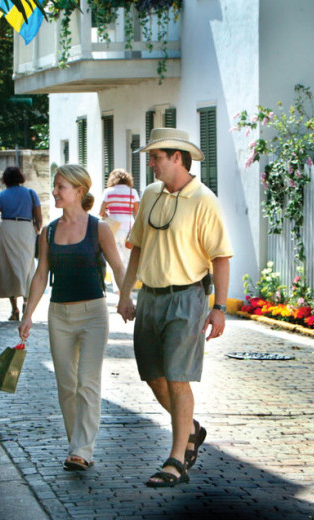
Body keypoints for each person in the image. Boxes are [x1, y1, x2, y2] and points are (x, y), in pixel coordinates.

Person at [117, 128, 233, 488]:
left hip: (187, 298)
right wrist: (125, 293)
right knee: (154, 376)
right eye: (150, 157)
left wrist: (220, 308)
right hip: (150, 297)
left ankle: (176, 460)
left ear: (177, 158)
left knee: (178, 378)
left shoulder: (204, 200)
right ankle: (192, 430)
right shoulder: (150, 194)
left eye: (155, 157)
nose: (150, 163)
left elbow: (221, 257)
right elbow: (136, 246)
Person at [18, 164, 126, 472]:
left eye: (60, 187)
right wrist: (28, 315)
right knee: (66, 384)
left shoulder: (99, 228)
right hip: (59, 315)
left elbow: (118, 267)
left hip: (93, 314)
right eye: (55, 186)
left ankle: (82, 450)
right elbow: (40, 276)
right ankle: (75, 444)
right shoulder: (48, 232)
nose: (54, 192)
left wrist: (126, 298)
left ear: (79, 191)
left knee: (87, 382)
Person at [0, 166, 43, 321]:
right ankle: (26, 300)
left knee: (9, 266)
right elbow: (38, 217)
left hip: (8, 228)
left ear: (4, 180)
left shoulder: (1, 195)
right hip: (26, 228)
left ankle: (14, 309)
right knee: (27, 264)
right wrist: (36, 230)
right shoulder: (31, 194)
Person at [99, 168, 139, 268]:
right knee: (127, 260)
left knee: (114, 261)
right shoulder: (132, 192)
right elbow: (137, 213)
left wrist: (107, 215)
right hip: (129, 229)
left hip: (112, 229)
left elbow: (100, 212)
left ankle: (116, 284)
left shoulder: (107, 192)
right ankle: (125, 283)